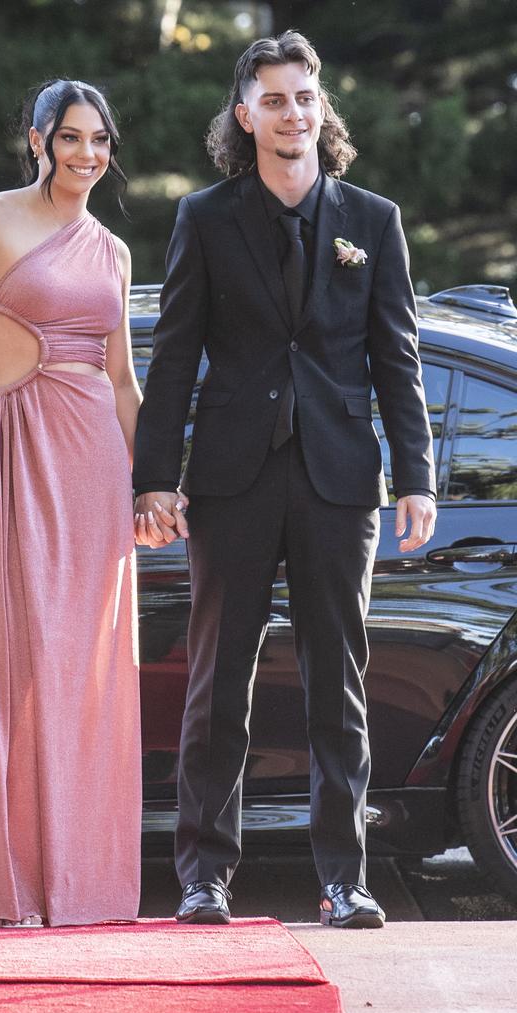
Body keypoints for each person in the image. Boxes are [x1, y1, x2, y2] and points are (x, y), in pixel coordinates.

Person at [133, 31, 436, 929]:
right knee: (217, 683)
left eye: (304, 98)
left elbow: (398, 357)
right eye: (273, 100)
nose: (292, 113)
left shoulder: (373, 222)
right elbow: (175, 357)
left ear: (320, 109)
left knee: (338, 684)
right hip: (230, 480)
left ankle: (345, 878)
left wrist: (416, 474)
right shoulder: (204, 217)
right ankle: (203, 878)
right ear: (245, 115)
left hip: (341, 482)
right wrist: (154, 481)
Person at [0, 79, 142, 928]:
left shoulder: (113, 251)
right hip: (9, 449)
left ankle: (80, 883)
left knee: (86, 669)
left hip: (94, 473)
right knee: (12, 657)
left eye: (101, 141)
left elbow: (121, 379)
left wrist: (149, 480)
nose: (88, 155)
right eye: (72, 138)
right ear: (39, 138)